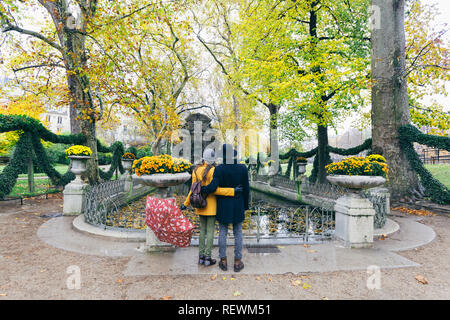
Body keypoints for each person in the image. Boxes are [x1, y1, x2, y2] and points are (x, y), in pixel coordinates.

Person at [180, 148, 242, 267]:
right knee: (210, 232)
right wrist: (233, 191)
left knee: (202, 231)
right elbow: (216, 190)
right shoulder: (214, 170)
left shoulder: (196, 170)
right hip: (211, 205)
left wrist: (186, 203)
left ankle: (201, 257)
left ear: (203, 158)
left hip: (199, 204)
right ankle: (208, 257)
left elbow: (193, 190)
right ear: (213, 159)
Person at [201, 144, 250, 272]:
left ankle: (223, 260)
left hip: (223, 206)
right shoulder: (243, 168)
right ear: (233, 155)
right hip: (238, 205)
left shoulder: (219, 169)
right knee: (238, 233)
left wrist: (202, 189)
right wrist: (245, 206)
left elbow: (213, 188)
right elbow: (246, 190)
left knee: (222, 232)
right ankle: (238, 262)